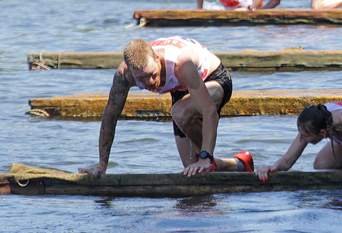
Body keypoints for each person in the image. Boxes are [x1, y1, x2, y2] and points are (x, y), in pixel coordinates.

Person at [78, 37, 253, 177]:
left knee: (180, 113)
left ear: (156, 58)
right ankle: (240, 164)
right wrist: (102, 165)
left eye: (152, 75)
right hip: (182, 91)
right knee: (192, 170)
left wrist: (205, 156)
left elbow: (210, 112)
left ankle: (208, 159)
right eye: (142, 79)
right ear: (130, 71)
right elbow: (110, 116)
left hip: (213, 80)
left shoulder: (181, 64)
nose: (150, 83)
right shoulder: (124, 75)